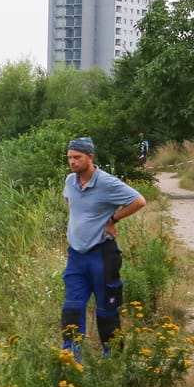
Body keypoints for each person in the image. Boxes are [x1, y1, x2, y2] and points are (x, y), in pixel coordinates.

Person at [61, 137, 146, 356]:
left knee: (106, 310)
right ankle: (70, 360)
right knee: (71, 309)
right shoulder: (70, 181)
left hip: (101, 255)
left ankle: (113, 360)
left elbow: (138, 201)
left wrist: (113, 219)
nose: (72, 162)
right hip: (76, 257)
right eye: (70, 157)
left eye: (77, 157)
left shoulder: (107, 182)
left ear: (90, 157)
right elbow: (71, 204)